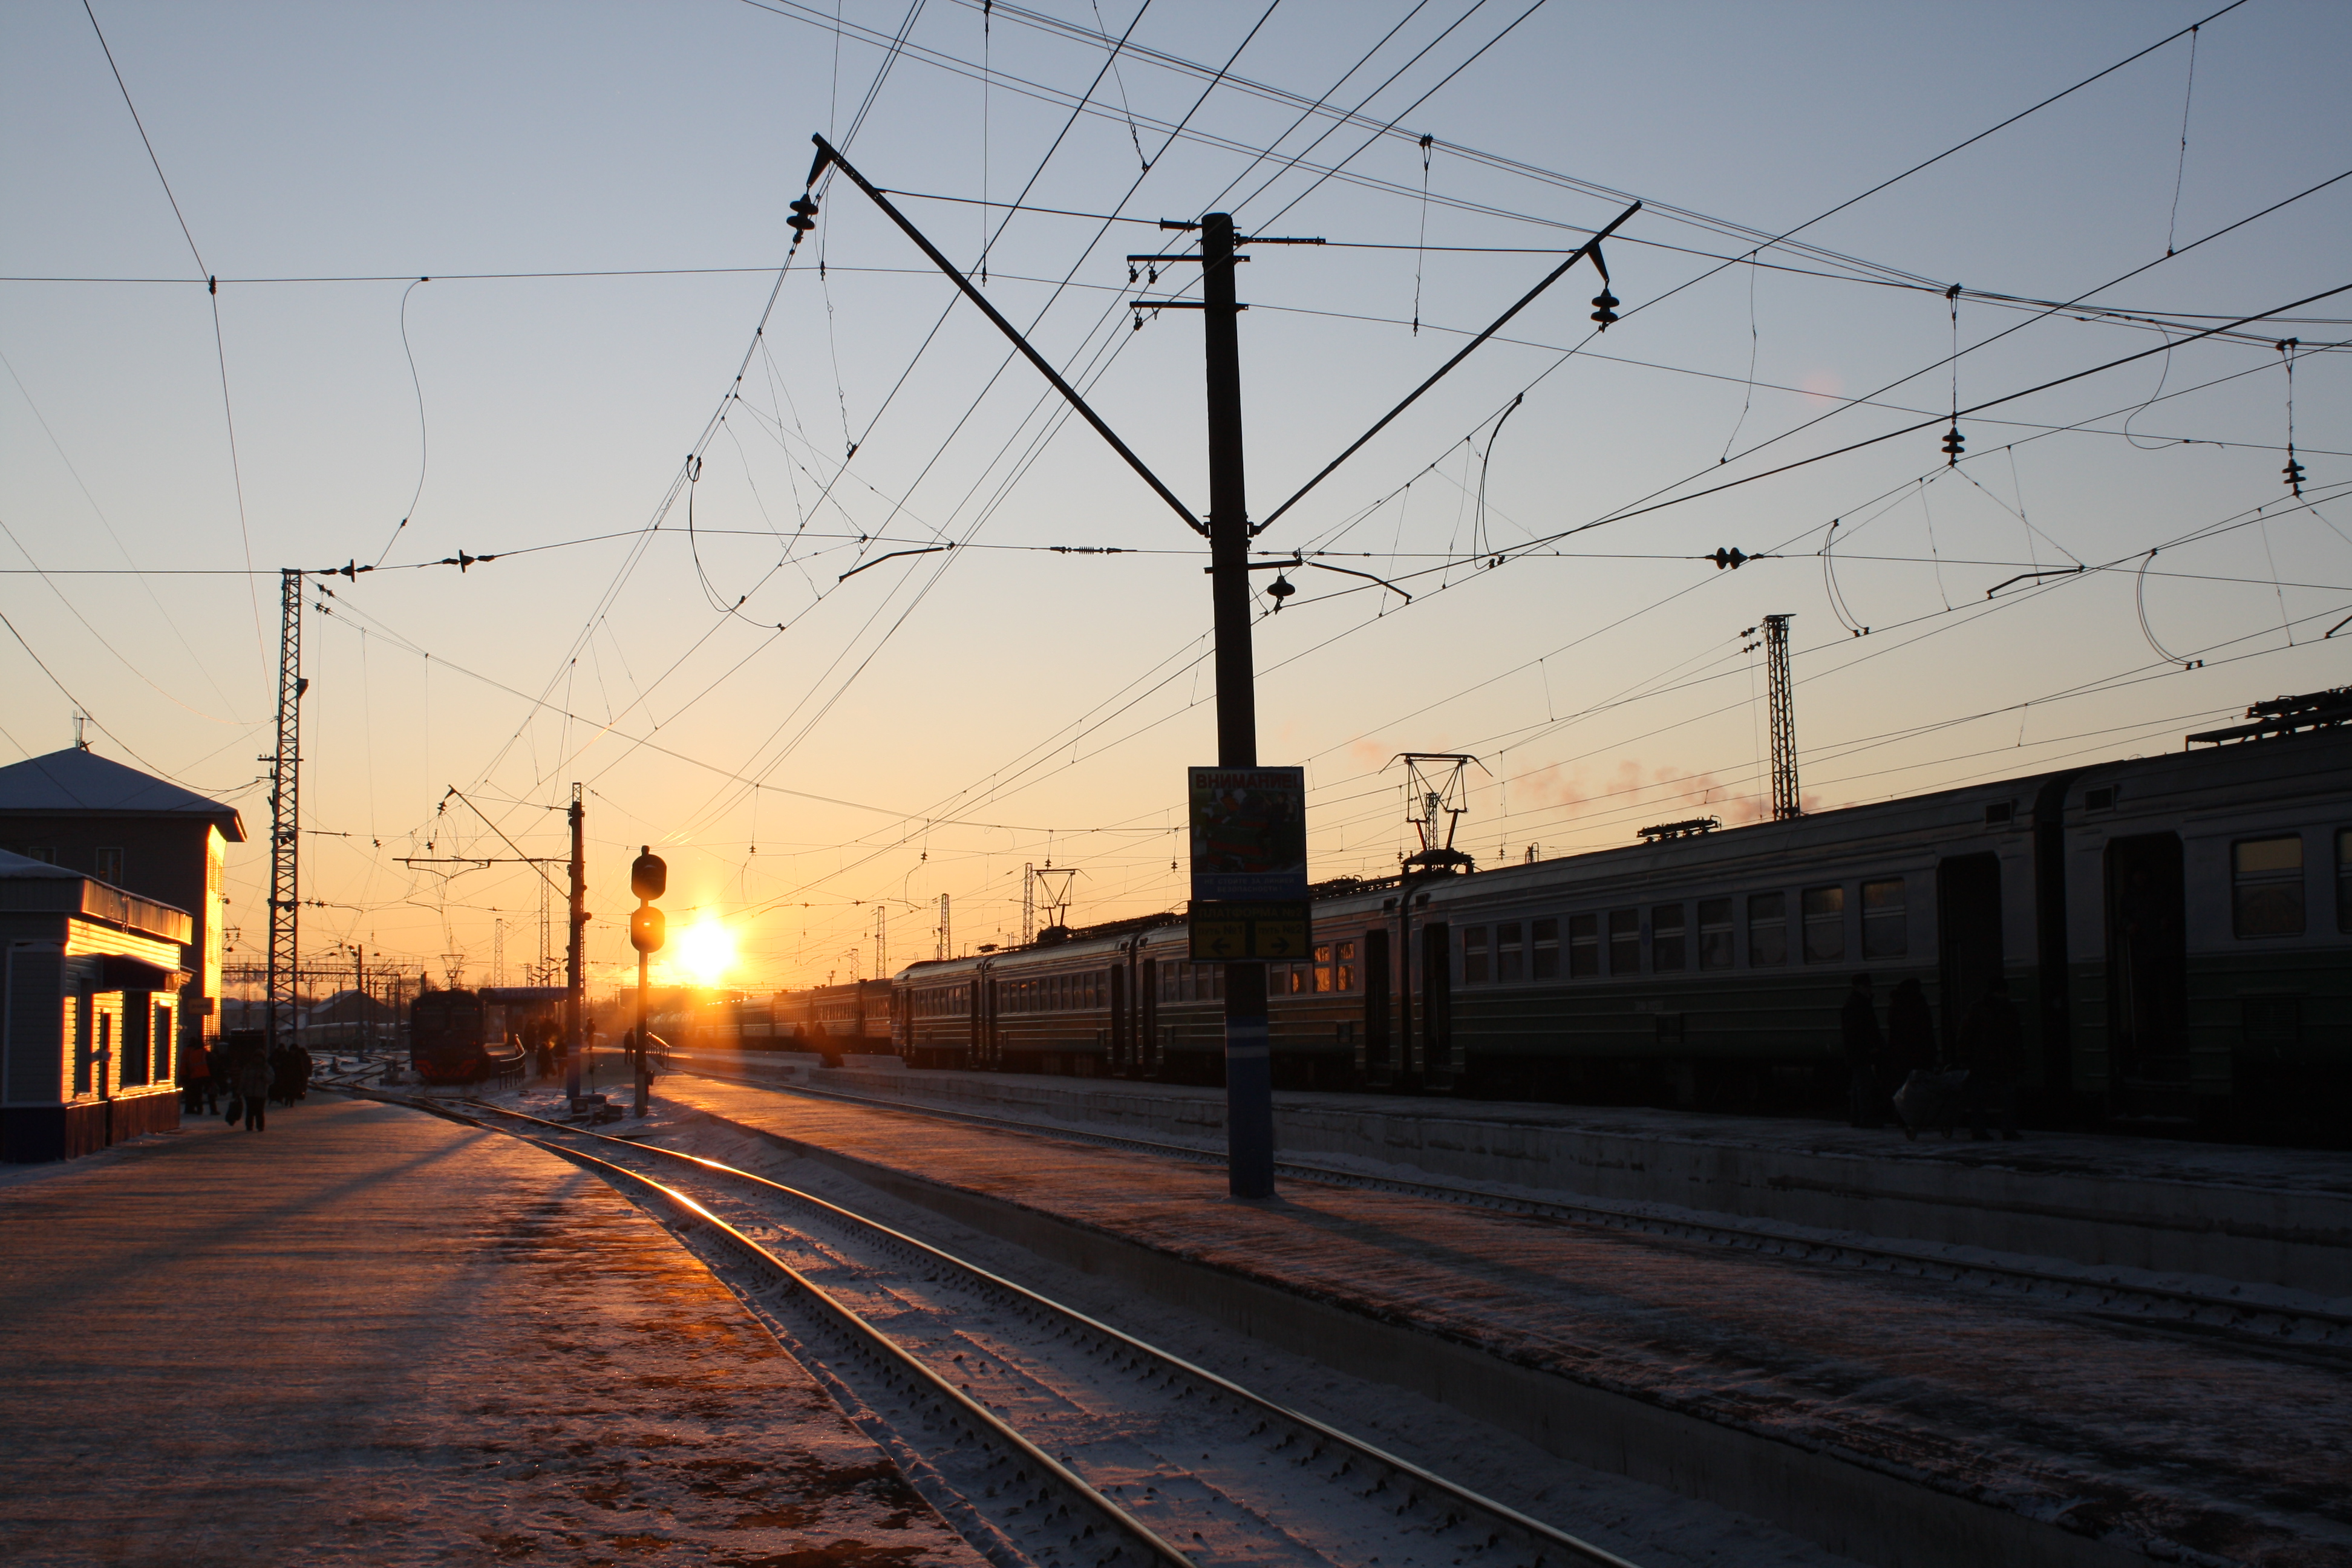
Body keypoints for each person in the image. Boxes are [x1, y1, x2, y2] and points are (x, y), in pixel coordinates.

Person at [1959, 977, 2025, 1141]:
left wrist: (1965, 1056)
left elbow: (1965, 1035)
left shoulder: (1976, 1008)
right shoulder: (2009, 1009)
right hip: (2004, 1059)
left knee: (1980, 1095)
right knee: (2008, 1094)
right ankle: (2008, 1130)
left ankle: (1979, 1130)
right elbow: (2016, 1037)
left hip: (1981, 1059)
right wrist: (2018, 1058)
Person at [1841, 973, 1884, 1128]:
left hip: (1857, 1052)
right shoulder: (1858, 1004)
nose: (1869, 988)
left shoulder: (1856, 1003)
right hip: (1861, 1052)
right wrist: (1870, 1047)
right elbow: (1861, 1031)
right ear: (1858, 987)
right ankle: (1865, 1119)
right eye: (1867, 986)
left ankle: (1857, 1118)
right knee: (1863, 1086)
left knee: (1858, 1085)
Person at [235, 1047, 275, 1132]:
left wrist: (264, 1076)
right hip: (249, 1093)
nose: (258, 1060)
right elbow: (243, 1080)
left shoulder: (266, 1068)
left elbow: (271, 1079)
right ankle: (249, 1126)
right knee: (250, 1111)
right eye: (256, 1058)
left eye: (260, 1058)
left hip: (261, 1093)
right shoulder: (248, 1068)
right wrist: (239, 1091)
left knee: (259, 1111)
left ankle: (260, 1126)